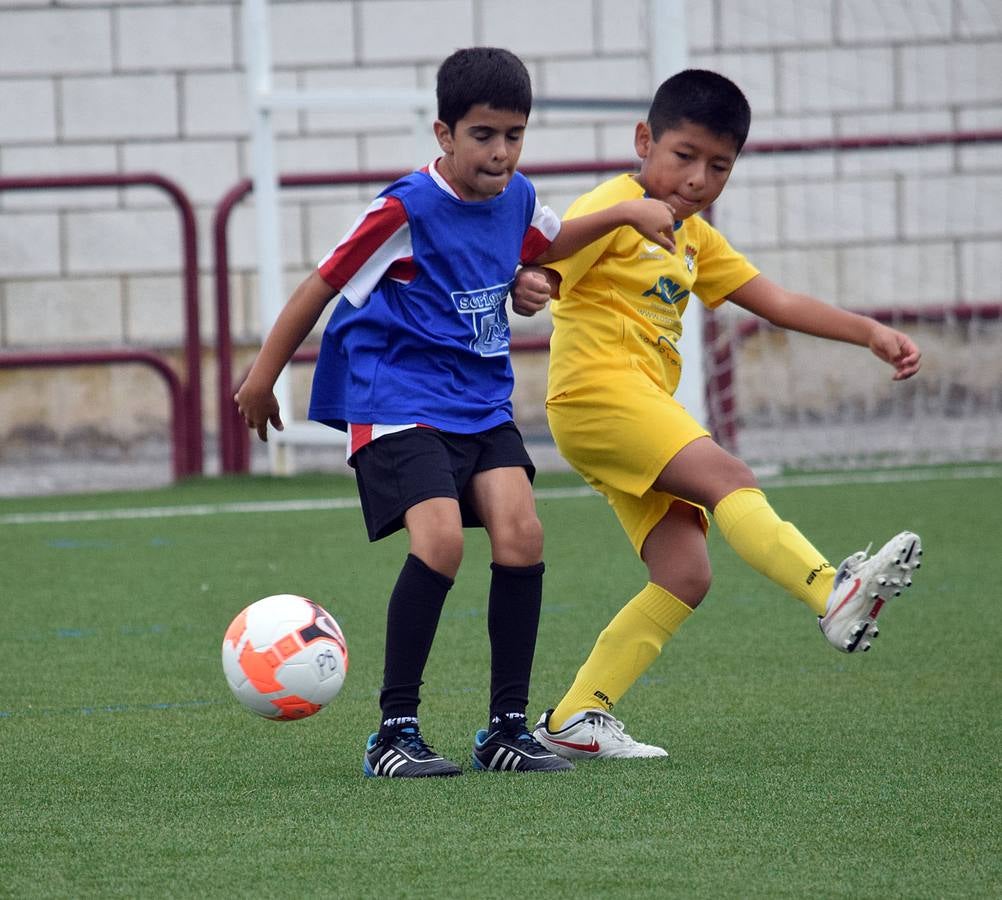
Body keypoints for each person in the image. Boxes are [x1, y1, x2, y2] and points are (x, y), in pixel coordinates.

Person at [235, 47, 679, 777]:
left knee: (523, 533)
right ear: (444, 134)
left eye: (514, 135)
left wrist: (600, 228)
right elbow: (322, 283)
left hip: (478, 400)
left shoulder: (517, 197)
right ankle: (393, 733)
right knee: (440, 541)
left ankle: (506, 729)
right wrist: (263, 378)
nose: (500, 152)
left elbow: (544, 246)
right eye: (483, 136)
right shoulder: (404, 208)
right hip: (396, 397)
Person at [511, 69, 925, 761]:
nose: (698, 178)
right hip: (598, 395)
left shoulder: (696, 236)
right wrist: (534, 281)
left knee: (685, 572)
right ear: (644, 141)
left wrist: (869, 332)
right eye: (684, 156)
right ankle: (831, 591)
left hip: (629, 412)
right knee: (727, 472)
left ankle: (577, 716)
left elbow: (778, 301)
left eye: (719, 165)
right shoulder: (616, 202)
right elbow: (544, 253)